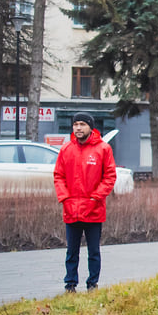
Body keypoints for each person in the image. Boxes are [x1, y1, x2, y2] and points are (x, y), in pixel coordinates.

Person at [54, 112, 117, 293]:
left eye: (82, 124)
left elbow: (110, 177)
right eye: (76, 124)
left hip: (93, 210)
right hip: (71, 210)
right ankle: (70, 284)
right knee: (71, 252)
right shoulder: (66, 149)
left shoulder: (103, 149)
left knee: (93, 252)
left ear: (90, 127)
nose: (78, 128)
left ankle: (92, 284)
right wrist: (65, 198)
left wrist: (95, 198)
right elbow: (59, 176)